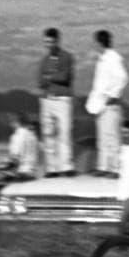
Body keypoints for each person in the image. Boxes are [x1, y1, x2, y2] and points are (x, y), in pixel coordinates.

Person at [86, 29, 129, 176]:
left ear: (99, 42)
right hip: (100, 104)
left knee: (112, 137)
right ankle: (103, 167)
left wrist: (113, 95)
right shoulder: (102, 58)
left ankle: (115, 168)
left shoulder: (113, 58)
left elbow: (122, 78)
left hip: (110, 103)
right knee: (103, 136)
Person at [37, 27, 75, 177]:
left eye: (51, 42)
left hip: (62, 99)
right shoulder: (44, 60)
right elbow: (40, 82)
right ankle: (51, 168)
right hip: (47, 99)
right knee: (48, 134)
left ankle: (66, 166)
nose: (48, 45)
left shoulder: (66, 57)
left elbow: (65, 77)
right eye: (46, 42)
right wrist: (53, 76)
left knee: (64, 133)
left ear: (57, 41)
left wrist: (49, 77)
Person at [4, 113, 40, 179]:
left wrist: (7, 167)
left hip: (22, 171)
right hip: (32, 171)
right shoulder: (32, 135)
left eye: (12, 122)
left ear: (17, 122)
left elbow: (15, 155)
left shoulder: (18, 135)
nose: (11, 124)